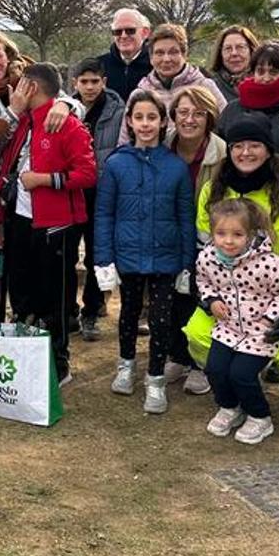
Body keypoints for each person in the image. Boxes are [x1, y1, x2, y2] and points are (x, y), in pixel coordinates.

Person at [187, 114, 279, 428]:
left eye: (255, 145)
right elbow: (202, 254)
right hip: (230, 298)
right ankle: (235, 393)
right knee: (198, 334)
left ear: (269, 150)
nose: (246, 153)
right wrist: (207, 299)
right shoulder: (213, 191)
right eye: (238, 145)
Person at [0, 63, 97, 384]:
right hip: (19, 220)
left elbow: (88, 174)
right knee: (21, 293)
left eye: (22, 85)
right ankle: (25, 357)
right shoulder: (24, 121)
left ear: (32, 88)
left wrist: (45, 179)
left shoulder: (68, 124)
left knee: (57, 298)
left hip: (56, 226)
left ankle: (59, 363)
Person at [94, 89, 195, 414]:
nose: (146, 123)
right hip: (128, 255)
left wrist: (186, 263)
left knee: (162, 320)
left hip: (165, 257)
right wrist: (103, 258)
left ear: (163, 121)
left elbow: (185, 216)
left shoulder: (176, 167)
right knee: (128, 313)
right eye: (139, 117)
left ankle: (155, 379)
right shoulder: (116, 164)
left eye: (152, 117)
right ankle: (126, 364)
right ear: (130, 122)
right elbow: (104, 213)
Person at [197, 199, 279, 445]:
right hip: (228, 328)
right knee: (215, 369)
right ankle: (230, 407)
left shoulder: (270, 263)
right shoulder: (208, 257)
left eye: (237, 234)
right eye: (221, 234)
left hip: (260, 333)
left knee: (241, 374)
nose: (228, 241)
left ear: (251, 234)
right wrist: (211, 301)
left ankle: (260, 416)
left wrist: (270, 317)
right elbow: (203, 281)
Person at [0, 30, 70, 224]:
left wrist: (64, 105)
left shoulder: (29, 78)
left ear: (7, 54)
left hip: (36, 182)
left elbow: (73, 105)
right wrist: (13, 112)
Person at [165, 85, 226, 396]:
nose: (189, 119)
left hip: (207, 239)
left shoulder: (221, 153)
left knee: (201, 297)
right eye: (183, 112)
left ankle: (200, 364)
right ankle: (177, 354)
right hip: (169, 234)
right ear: (173, 115)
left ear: (209, 117)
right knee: (172, 296)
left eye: (198, 113)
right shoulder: (163, 146)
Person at [71, 57, 126, 340]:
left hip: (103, 191)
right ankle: (68, 310)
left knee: (96, 254)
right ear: (75, 83)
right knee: (68, 254)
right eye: (84, 82)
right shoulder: (66, 109)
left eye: (95, 81)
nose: (90, 87)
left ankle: (91, 312)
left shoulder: (118, 110)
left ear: (104, 82)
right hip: (71, 191)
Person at [122, 24, 226, 143]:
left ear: (184, 55)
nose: (166, 59)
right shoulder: (140, 93)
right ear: (151, 58)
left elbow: (227, 126)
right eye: (159, 53)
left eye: (173, 52)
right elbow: (125, 139)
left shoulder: (205, 86)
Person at [217, 41, 279, 151]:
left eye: (273, 72)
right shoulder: (232, 110)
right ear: (253, 73)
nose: (266, 78)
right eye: (260, 71)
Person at [95, 8, 152, 101]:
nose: (123, 36)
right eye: (117, 32)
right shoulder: (99, 65)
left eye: (130, 30)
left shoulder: (157, 65)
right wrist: (66, 103)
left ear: (145, 32)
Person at [207, 25, 261, 102]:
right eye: (228, 48)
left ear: (251, 50)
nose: (234, 53)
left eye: (240, 47)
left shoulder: (266, 82)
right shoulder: (211, 88)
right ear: (220, 53)